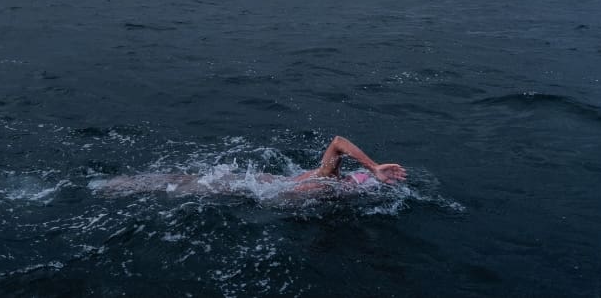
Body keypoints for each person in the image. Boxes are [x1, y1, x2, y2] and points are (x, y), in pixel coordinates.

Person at [94, 135, 406, 197]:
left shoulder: (333, 185)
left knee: (181, 179)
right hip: (255, 188)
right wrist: (375, 165)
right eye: (361, 180)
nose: (355, 185)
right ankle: (113, 187)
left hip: (264, 181)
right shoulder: (331, 178)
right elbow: (338, 141)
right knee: (182, 188)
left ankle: (117, 183)